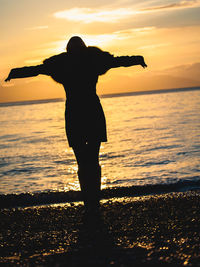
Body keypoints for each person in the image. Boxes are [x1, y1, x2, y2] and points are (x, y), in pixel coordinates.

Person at [5, 36, 147, 214]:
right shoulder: (92, 60)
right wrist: (137, 59)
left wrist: (15, 72)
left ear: (67, 50)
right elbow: (117, 62)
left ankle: (90, 202)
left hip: (75, 113)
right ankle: (93, 201)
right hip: (90, 111)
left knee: (83, 161)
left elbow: (37, 70)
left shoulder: (63, 64)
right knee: (92, 160)